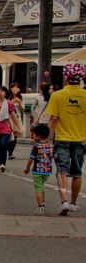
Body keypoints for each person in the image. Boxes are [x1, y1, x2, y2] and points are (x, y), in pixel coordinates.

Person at [45, 62, 86, 215]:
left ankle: (64, 201)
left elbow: (53, 119)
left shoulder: (57, 95)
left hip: (62, 138)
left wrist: (47, 138)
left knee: (62, 170)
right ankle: (74, 202)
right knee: (77, 172)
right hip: (81, 139)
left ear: (66, 77)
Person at [23, 123, 55, 215]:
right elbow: (53, 156)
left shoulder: (36, 146)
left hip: (37, 171)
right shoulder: (50, 145)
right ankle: (43, 203)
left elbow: (31, 159)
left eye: (33, 134)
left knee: (38, 189)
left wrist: (27, 168)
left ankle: (40, 207)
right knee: (41, 187)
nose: (32, 136)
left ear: (39, 135)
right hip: (48, 171)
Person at [6, 81, 25, 159]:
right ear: (11, 89)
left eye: (18, 87)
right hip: (9, 118)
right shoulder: (7, 98)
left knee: (16, 135)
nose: (17, 89)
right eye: (15, 87)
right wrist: (11, 102)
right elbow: (5, 108)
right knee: (9, 135)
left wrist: (20, 104)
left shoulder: (20, 98)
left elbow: (23, 110)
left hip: (17, 117)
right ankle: (7, 149)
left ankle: (10, 153)